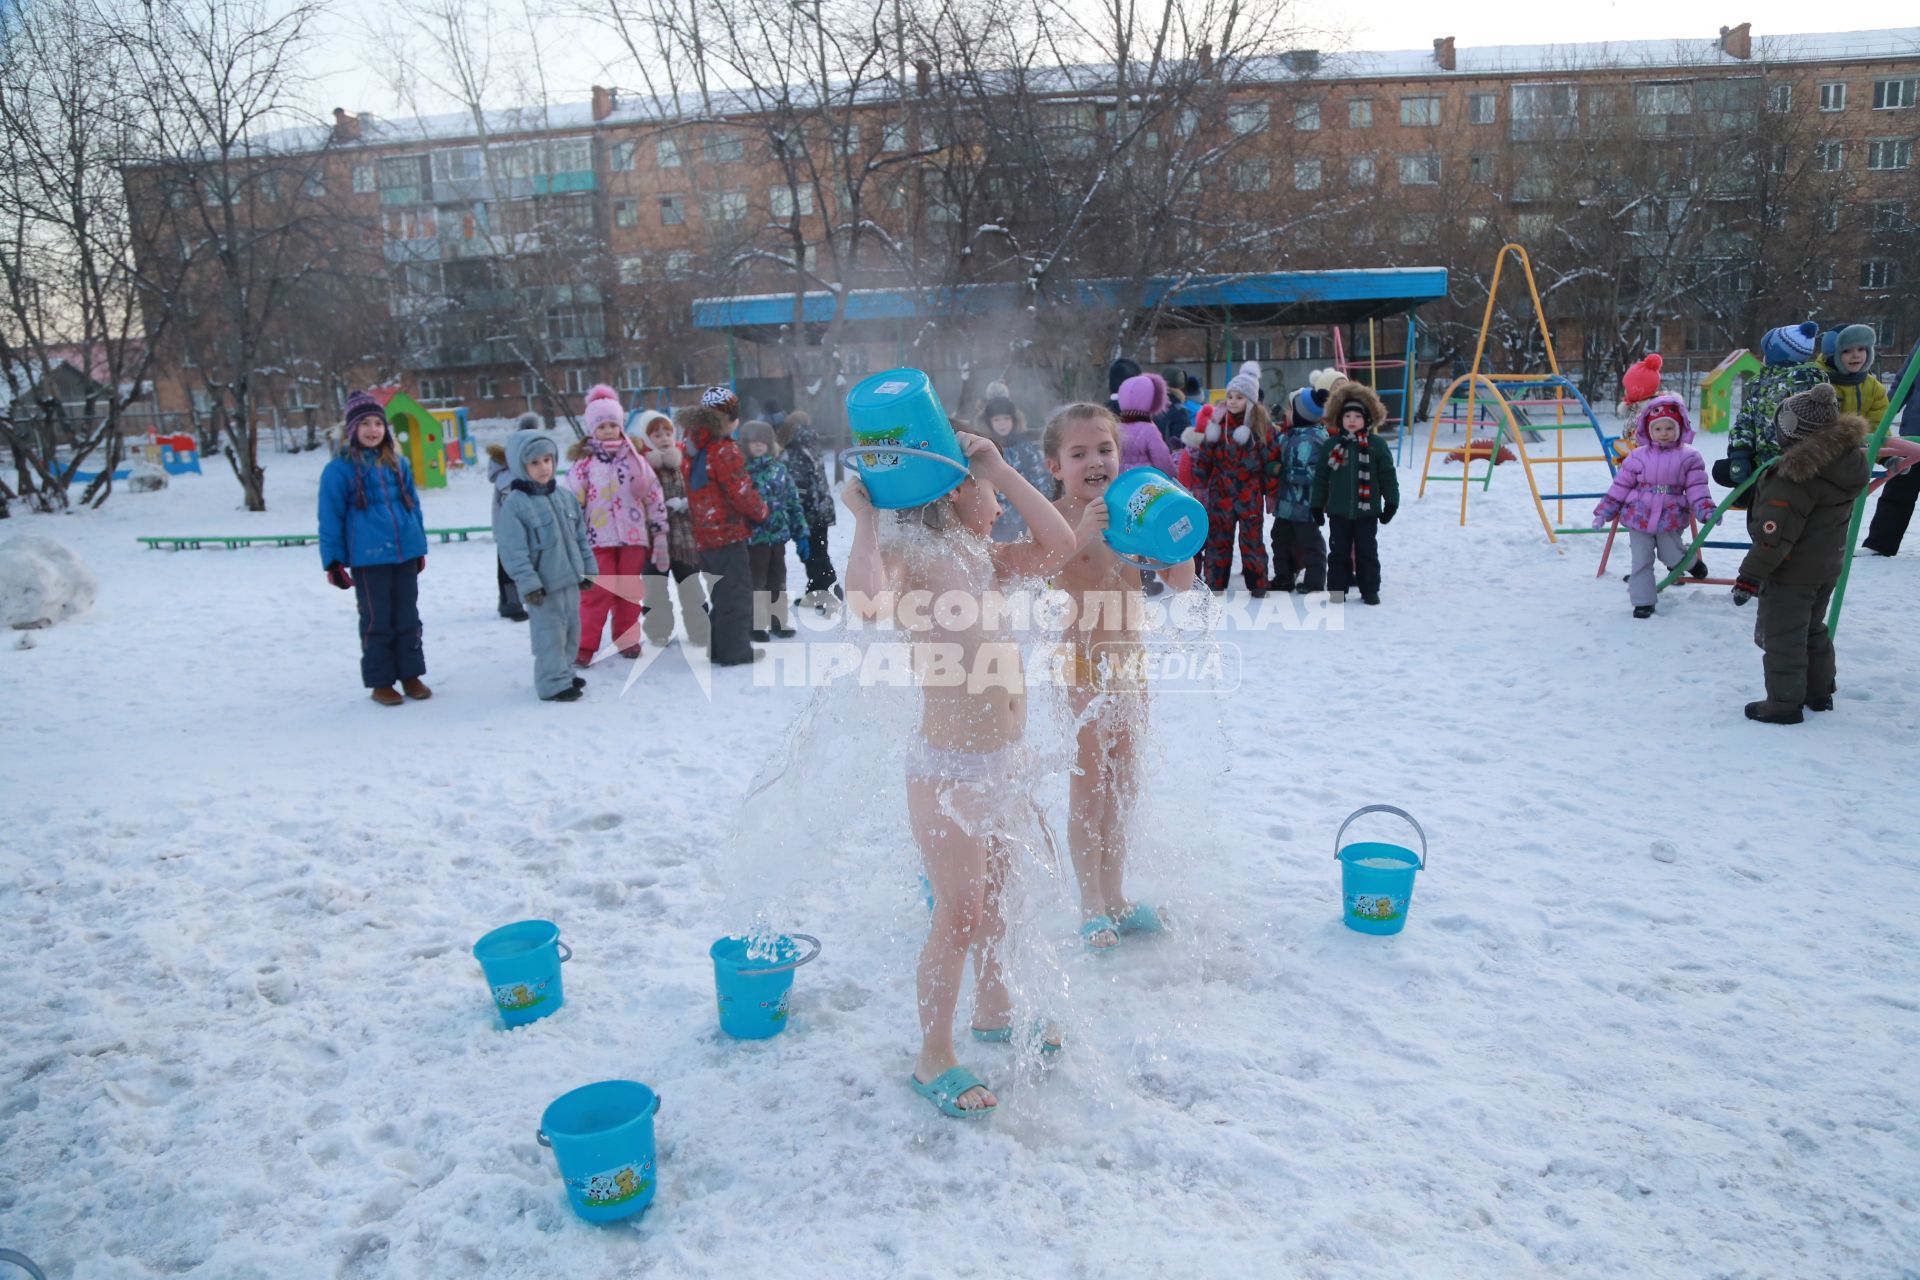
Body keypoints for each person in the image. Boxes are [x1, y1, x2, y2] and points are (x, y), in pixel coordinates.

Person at [842, 429, 1077, 1119]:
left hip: (1003, 761)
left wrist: (1001, 467)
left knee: (1003, 898)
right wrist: (866, 520)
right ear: (950, 489)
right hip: (947, 769)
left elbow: (1060, 545)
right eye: (987, 487)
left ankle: (996, 1009)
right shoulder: (910, 552)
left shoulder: (983, 556)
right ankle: (933, 1055)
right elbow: (865, 603)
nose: (999, 503)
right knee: (960, 913)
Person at [1042, 401, 1196, 951]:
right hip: (1081, 665)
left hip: (1130, 663)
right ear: (1056, 465)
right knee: (1089, 788)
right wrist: (1083, 529)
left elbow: (1179, 580)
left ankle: (1116, 895)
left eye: (1104, 449)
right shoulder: (1056, 517)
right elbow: (1037, 567)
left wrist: (1180, 532)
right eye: (1078, 453)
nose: (1094, 462)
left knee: (1125, 783)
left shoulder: (1136, 511)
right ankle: (1089, 906)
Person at [1732, 384, 1869, 724]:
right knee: (1811, 628)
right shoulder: (1843, 463)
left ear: (1792, 431)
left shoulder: (1795, 478)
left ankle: (1782, 705)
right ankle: (1819, 693)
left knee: (1783, 637)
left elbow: (1773, 539)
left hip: (1791, 571)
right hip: (1826, 566)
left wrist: (1749, 578)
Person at [318, 390, 431, 706]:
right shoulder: (338, 470)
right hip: (368, 559)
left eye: (377, 423)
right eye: (364, 423)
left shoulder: (398, 463)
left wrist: (418, 547)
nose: (372, 430)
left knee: (408, 616)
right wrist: (333, 562)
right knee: (377, 619)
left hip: (404, 553)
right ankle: (381, 681)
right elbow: (330, 518)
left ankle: (411, 674)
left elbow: (413, 507)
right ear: (351, 428)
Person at [567, 385, 668, 664]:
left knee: (629, 591)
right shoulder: (584, 463)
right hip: (597, 539)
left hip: (633, 537)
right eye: (602, 426)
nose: (609, 430)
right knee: (596, 593)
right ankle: (584, 646)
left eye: (614, 424)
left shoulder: (635, 460)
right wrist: (570, 533)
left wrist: (659, 531)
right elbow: (572, 500)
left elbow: (653, 493)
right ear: (592, 429)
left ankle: (627, 641)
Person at [1591, 395, 1716, 618]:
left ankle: (1691, 563)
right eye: (1658, 428)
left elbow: (1697, 486)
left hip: (1670, 517)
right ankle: (1643, 602)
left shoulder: (1689, 457)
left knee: (1671, 556)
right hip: (1638, 515)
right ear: (1649, 430)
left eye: (1669, 427)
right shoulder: (1637, 456)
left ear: (1679, 428)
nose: (1664, 433)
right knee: (1641, 559)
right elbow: (1620, 486)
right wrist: (1604, 511)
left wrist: (1705, 508)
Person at [494, 432, 595, 703]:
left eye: (547, 460)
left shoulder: (564, 497)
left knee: (572, 630)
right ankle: (552, 683)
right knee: (549, 635)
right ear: (521, 466)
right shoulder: (515, 505)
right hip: (544, 586)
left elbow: (580, 538)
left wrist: (588, 570)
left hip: (569, 580)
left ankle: (565, 672)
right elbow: (513, 552)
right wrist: (529, 584)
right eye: (535, 463)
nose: (544, 467)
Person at [681, 388, 770, 667]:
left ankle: (719, 647)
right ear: (730, 418)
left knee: (719, 593)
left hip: (703, 534)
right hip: (726, 533)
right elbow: (740, 491)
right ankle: (735, 652)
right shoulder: (724, 449)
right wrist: (762, 512)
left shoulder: (693, 445)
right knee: (736, 594)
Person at [1190, 362, 1280, 595]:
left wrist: (1271, 492)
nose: (1232, 401)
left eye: (1239, 397)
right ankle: (1215, 582)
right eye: (1229, 396)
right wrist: (1199, 484)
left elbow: (1272, 462)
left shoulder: (1262, 428)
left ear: (1249, 401)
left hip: (1249, 494)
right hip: (1221, 492)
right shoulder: (1218, 425)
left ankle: (1258, 584)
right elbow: (1205, 457)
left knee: (1252, 541)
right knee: (1218, 539)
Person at [1719, 322, 1829, 503]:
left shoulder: (1800, 383)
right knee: (1722, 470)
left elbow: (1744, 422)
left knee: (1726, 471)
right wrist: (1739, 454)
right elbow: (1746, 422)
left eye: (1766, 352)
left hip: (1784, 463)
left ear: (1776, 352)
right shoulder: (1814, 380)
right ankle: (1755, 489)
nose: (1763, 357)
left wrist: (1740, 454)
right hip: (1778, 462)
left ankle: (1755, 491)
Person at [1311, 380, 1399, 605]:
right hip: (1339, 511)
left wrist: (1391, 502)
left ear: (1367, 419)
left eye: (1357, 417)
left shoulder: (1376, 445)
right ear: (1340, 418)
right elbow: (1321, 478)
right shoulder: (1332, 446)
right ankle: (1337, 591)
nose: (1352, 421)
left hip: (1367, 512)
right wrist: (1317, 505)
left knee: (1367, 552)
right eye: (1347, 416)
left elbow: (1388, 476)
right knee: (1338, 552)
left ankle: (1369, 589)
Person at [638, 411, 710, 648]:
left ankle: (700, 630)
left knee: (691, 588)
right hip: (653, 540)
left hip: (684, 538)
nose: (664, 438)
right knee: (655, 590)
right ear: (647, 438)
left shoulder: (683, 461)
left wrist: (687, 503)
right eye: (657, 435)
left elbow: (698, 490)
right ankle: (658, 630)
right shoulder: (642, 467)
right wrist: (659, 508)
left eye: (668, 433)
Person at [738, 420, 808, 641]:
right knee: (757, 583)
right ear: (746, 445)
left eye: (762, 442)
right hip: (754, 538)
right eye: (753, 442)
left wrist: (801, 532)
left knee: (777, 581)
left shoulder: (779, 469)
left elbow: (792, 501)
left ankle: (778, 621)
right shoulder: (742, 472)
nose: (758, 446)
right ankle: (756, 625)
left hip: (778, 537)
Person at [1273, 371, 1336, 593]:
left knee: (1311, 543)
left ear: (1301, 413)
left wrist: (1286, 473)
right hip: (1286, 504)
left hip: (1306, 506)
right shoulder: (1291, 435)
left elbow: (1318, 474)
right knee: (1279, 538)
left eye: (1290, 409)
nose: (1286, 413)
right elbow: (1276, 448)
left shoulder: (1316, 439)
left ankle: (1315, 580)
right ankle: (1283, 576)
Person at [775, 410, 840, 613]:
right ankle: (815, 591)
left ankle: (830, 593)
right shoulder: (810, 443)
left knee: (815, 554)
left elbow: (800, 485)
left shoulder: (796, 449)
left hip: (810, 512)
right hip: (820, 508)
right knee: (815, 552)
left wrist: (797, 513)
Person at [1863, 347, 1920, 556]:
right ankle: (1879, 544)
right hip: (1914, 434)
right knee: (1899, 490)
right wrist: (1882, 419)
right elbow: (1902, 383)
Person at [977, 384, 1052, 542]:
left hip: (1025, 519)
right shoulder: (984, 450)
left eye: (1006, 419)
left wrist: (1041, 511)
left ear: (1014, 419)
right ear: (989, 422)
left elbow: (1040, 479)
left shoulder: (1024, 448)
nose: (1002, 424)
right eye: (997, 420)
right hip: (995, 522)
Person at [486, 412, 542, 620]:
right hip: (509, 528)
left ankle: (529, 596)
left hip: (531, 527)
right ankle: (510, 601)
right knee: (508, 565)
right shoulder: (508, 472)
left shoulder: (535, 466)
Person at [1817, 324, 1890, 425]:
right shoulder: (1818, 383)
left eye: (1861, 349)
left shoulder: (1874, 388)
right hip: (1825, 439)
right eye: (1846, 351)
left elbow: (1879, 425)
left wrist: (1874, 440)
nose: (1856, 355)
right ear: (1832, 357)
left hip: (1865, 439)